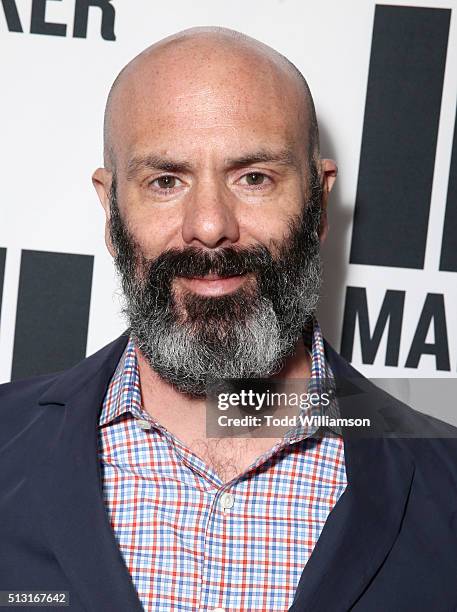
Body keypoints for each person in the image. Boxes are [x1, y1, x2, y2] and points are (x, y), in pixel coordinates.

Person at [1, 26, 456, 612]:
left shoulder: (444, 484)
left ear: (319, 199)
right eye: (166, 181)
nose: (211, 225)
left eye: (254, 178)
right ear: (110, 209)